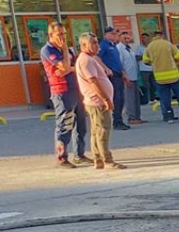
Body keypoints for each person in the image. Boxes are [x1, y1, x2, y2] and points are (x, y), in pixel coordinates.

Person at [40, 21, 89, 167]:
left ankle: (79, 154)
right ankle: (62, 157)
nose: (63, 37)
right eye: (60, 34)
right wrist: (67, 58)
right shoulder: (48, 50)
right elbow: (65, 66)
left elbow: (74, 67)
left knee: (80, 125)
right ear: (51, 35)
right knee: (64, 125)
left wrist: (69, 67)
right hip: (62, 91)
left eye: (64, 34)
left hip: (76, 88)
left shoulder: (68, 50)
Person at [75, 32, 126, 170]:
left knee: (97, 131)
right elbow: (93, 82)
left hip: (96, 101)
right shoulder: (85, 60)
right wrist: (106, 99)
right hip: (97, 102)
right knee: (103, 131)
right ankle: (106, 160)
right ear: (83, 45)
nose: (97, 45)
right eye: (93, 43)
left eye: (97, 42)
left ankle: (98, 159)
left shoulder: (90, 59)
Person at [142, 31, 179, 123]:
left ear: (154, 36)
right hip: (173, 75)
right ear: (162, 35)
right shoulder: (168, 44)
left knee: (165, 97)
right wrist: (174, 60)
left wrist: (154, 62)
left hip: (160, 77)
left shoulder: (150, 46)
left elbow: (145, 60)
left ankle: (169, 116)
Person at [98, 26, 128, 130]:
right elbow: (97, 58)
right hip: (112, 75)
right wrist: (106, 69)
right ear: (107, 34)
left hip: (119, 75)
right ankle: (117, 121)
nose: (115, 36)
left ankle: (119, 120)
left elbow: (117, 61)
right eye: (113, 34)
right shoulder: (104, 45)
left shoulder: (113, 45)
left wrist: (123, 73)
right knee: (116, 98)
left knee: (121, 99)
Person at [117, 31, 144, 124]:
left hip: (134, 76)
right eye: (124, 38)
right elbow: (120, 65)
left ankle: (137, 117)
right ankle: (131, 117)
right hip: (127, 77)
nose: (126, 40)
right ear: (119, 38)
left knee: (136, 98)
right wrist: (125, 77)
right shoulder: (119, 49)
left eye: (128, 38)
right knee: (129, 98)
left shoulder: (129, 48)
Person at [135, 32, 153, 105]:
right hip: (144, 69)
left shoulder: (151, 47)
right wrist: (144, 56)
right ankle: (147, 99)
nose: (143, 39)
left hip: (153, 68)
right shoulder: (139, 48)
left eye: (145, 38)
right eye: (142, 38)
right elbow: (136, 57)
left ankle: (153, 98)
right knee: (146, 85)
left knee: (154, 85)